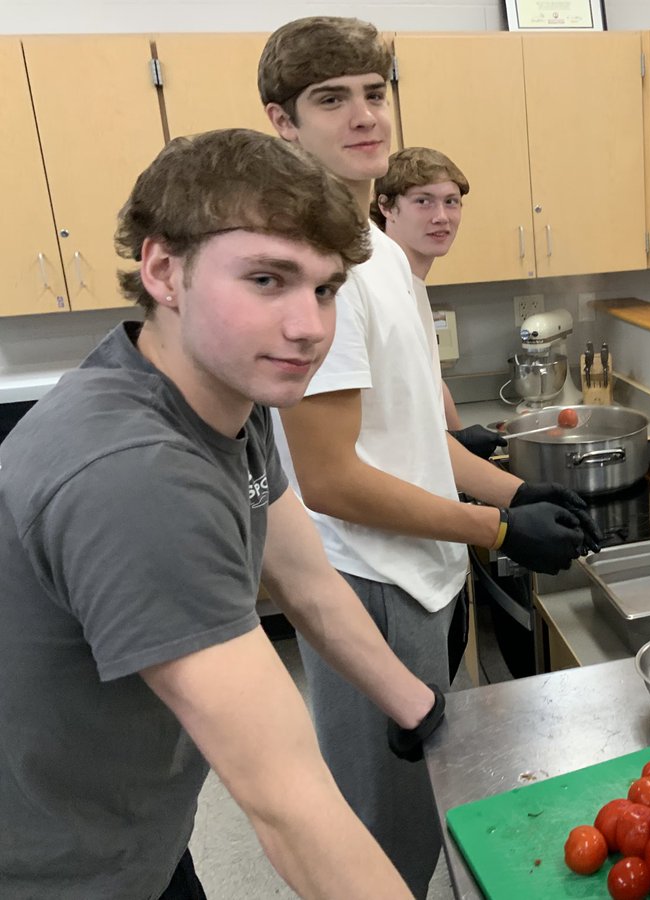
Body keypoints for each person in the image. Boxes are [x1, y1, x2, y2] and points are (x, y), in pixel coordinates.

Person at [0, 128, 437, 899]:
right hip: (55, 872)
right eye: (267, 279)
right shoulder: (135, 475)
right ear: (164, 271)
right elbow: (285, 800)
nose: (309, 327)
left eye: (325, 289)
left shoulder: (225, 395)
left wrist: (418, 710)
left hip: (138, 831)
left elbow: (306, 582)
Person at [258, 17, 601, 897]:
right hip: (369, 584)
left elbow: (418, 443)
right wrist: (499, 531)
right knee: (383, 844)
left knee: (424, 812)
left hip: (423, 575)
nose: (364, 115)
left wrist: (519, 492)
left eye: (375, 93)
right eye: (331, 99)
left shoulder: (383, 257)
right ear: (283, 122)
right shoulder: (319, 270)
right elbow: (331, 480)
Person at [371, 146, 505, 460]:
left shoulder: (411, 283)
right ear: (387, 207)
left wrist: (460, 442)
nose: (441, 217)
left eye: (451, 202)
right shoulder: (380, 286)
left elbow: (430, 381)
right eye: (423, 201)